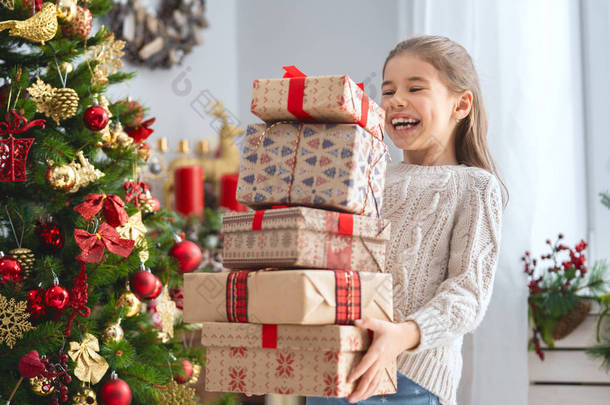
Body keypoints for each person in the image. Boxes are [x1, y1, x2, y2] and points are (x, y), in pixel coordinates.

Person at [307, 35, 508, 405]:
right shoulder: (366, 174)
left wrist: (403, 334)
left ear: (461, 104)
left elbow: (467, 294)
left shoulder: (476, 186)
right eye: (388, 91)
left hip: (409, 379)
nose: (396, 100)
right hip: (336, 364)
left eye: (415, 87)